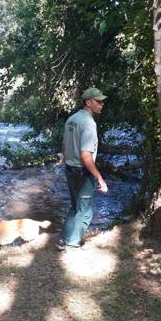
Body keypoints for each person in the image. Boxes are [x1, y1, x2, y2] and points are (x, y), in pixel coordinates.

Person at [56, 87, 109, 251]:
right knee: (85, 211)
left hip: (70, 169)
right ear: (88, 102)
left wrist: (67, 163)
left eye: (102, 101)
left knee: (75, 206)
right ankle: (72, 244)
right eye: (98, 101)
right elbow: (86, 155)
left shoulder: (71, 119)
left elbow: (64, 147)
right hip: (82, 172)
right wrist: (99, 178)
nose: (102, 104)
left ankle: (64, 240)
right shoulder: (89, 123)